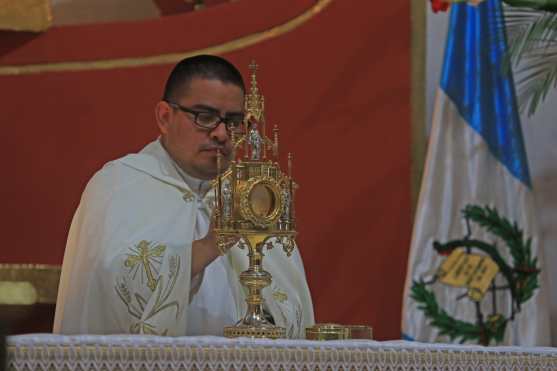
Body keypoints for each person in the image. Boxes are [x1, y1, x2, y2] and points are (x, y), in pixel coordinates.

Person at [53, 55, 314, 337]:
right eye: (205, 117)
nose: (222, 134)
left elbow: (291, 307)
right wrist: (210, 245)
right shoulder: (121, 184)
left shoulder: (252, 195)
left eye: (235, 121)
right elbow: (113, 291)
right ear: (164, 117)